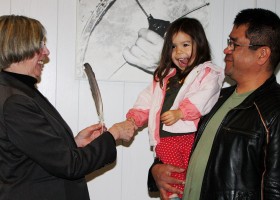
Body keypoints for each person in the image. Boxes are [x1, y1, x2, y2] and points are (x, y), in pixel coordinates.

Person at [148, 8, 280, 200]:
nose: (226, 49)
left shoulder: (274, 110)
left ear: (262, 54)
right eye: (229, 42)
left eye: (234, 44)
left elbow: (275, 189)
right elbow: (182, 145)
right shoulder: (213, 97)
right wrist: (156, 170)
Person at [0, 15, 136, 200]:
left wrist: (75, 143)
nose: (46, 52)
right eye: (40, 44)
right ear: (19, 45)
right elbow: (70, 166)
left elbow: (36, 154)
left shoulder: (20, 91)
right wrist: (114, 134)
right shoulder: (15, 102)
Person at [125, 17, 224, 199]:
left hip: (191, 138)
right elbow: (147, 100)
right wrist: (133, 119)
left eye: (185, 45)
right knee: (172, 181)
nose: (179, 52)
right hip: (165, 140)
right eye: (173, 46)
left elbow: (206, 95)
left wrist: (181, 112)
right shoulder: (163, 77)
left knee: (195, 179)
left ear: (199, 44)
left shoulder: (208, 72)